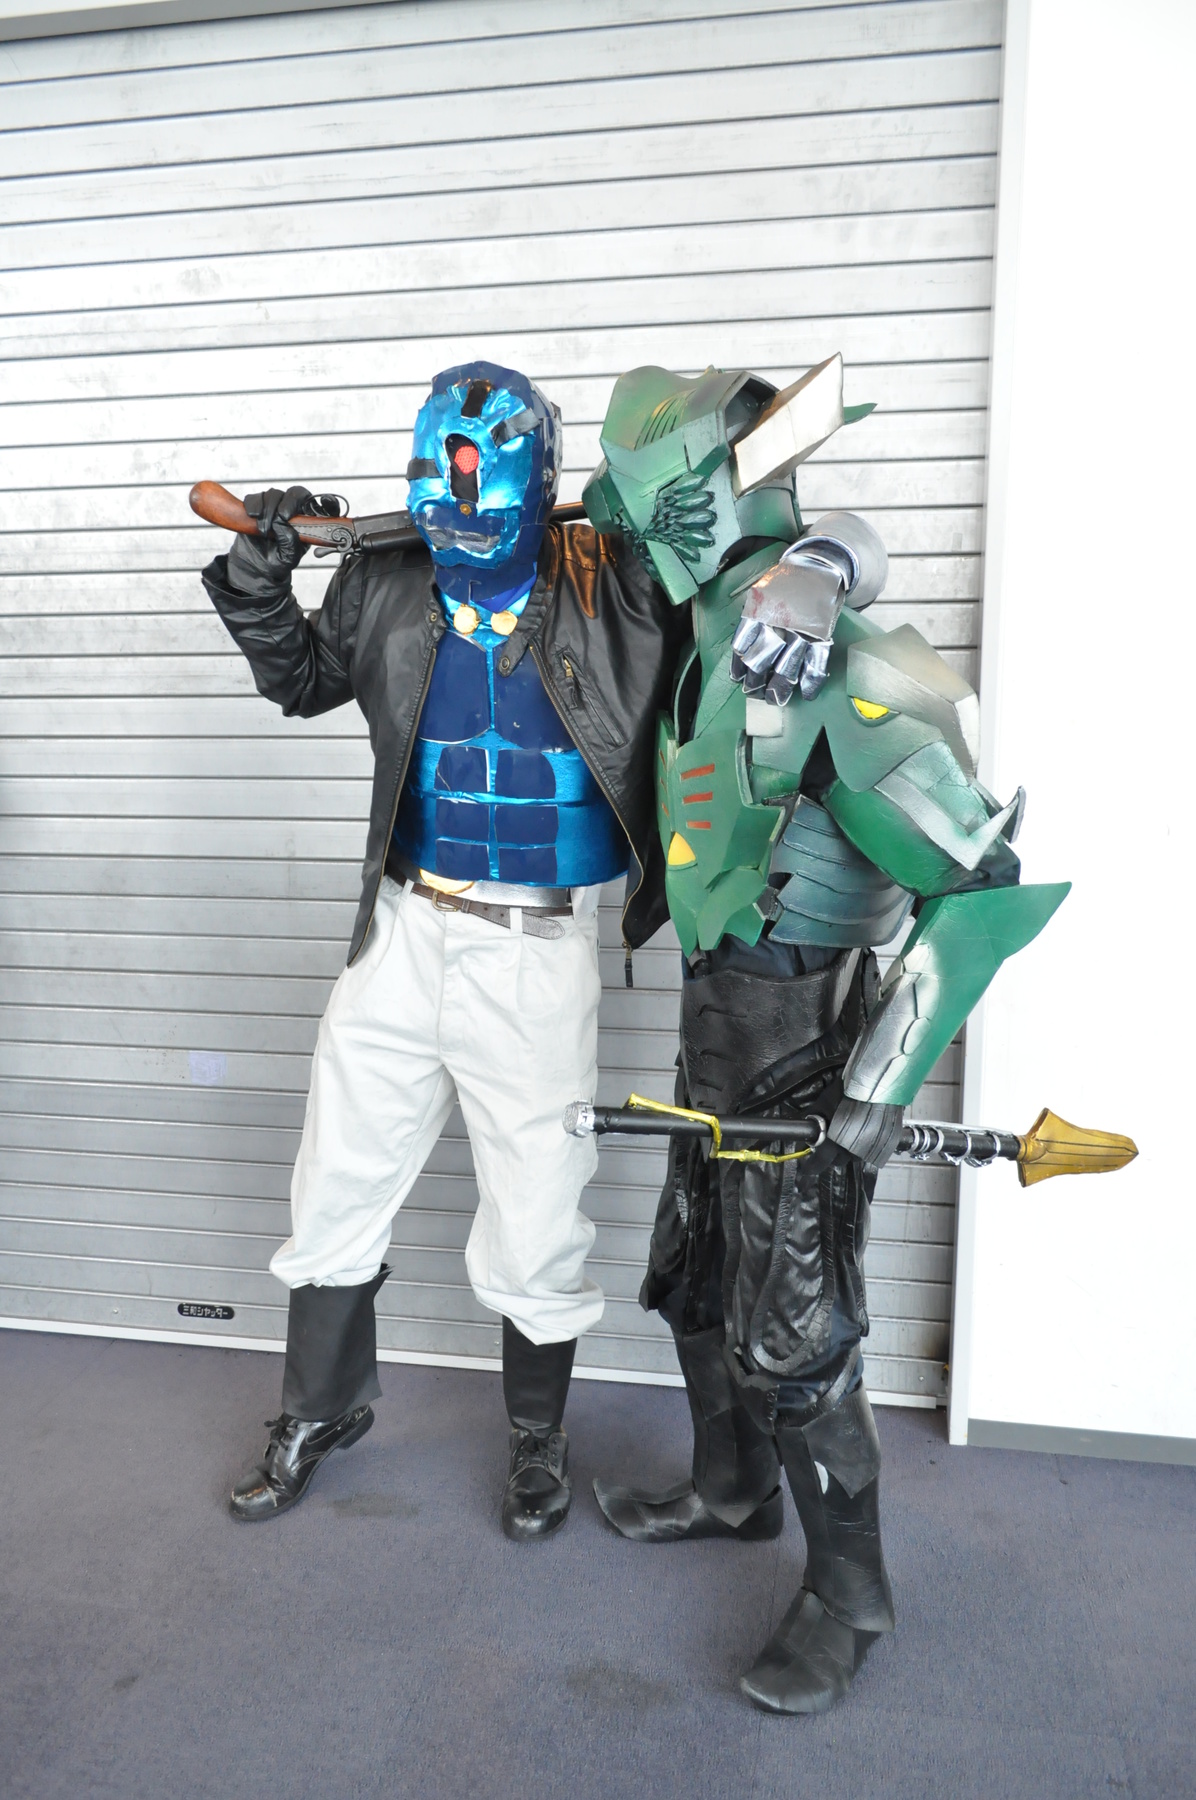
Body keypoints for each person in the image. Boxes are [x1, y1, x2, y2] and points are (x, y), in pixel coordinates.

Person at [581, 356, 1067, 1708]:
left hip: (801, 1044)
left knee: (795, 1335)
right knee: (692, 1283)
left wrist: (879, 1084)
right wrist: (829, 552)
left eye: (645, 497)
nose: (630, 524)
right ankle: (730, 1489)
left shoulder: (840, 662)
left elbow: (978, 889)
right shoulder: (709, 634)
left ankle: (851, 1594)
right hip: (715, 1026)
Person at [201, 360, 685, 1539]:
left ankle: (535, 1438)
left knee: (538, 1205)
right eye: (443, 485)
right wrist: (260, 575)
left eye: (480, 487)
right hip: (403, 925)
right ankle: (318, 1411)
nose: (459, 514)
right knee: (337, 1174)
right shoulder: (383, 575)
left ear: (534, 482)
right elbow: (301, 682)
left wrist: (829, 568)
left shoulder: (617, 580)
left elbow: (755, 564)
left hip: (535, 945)